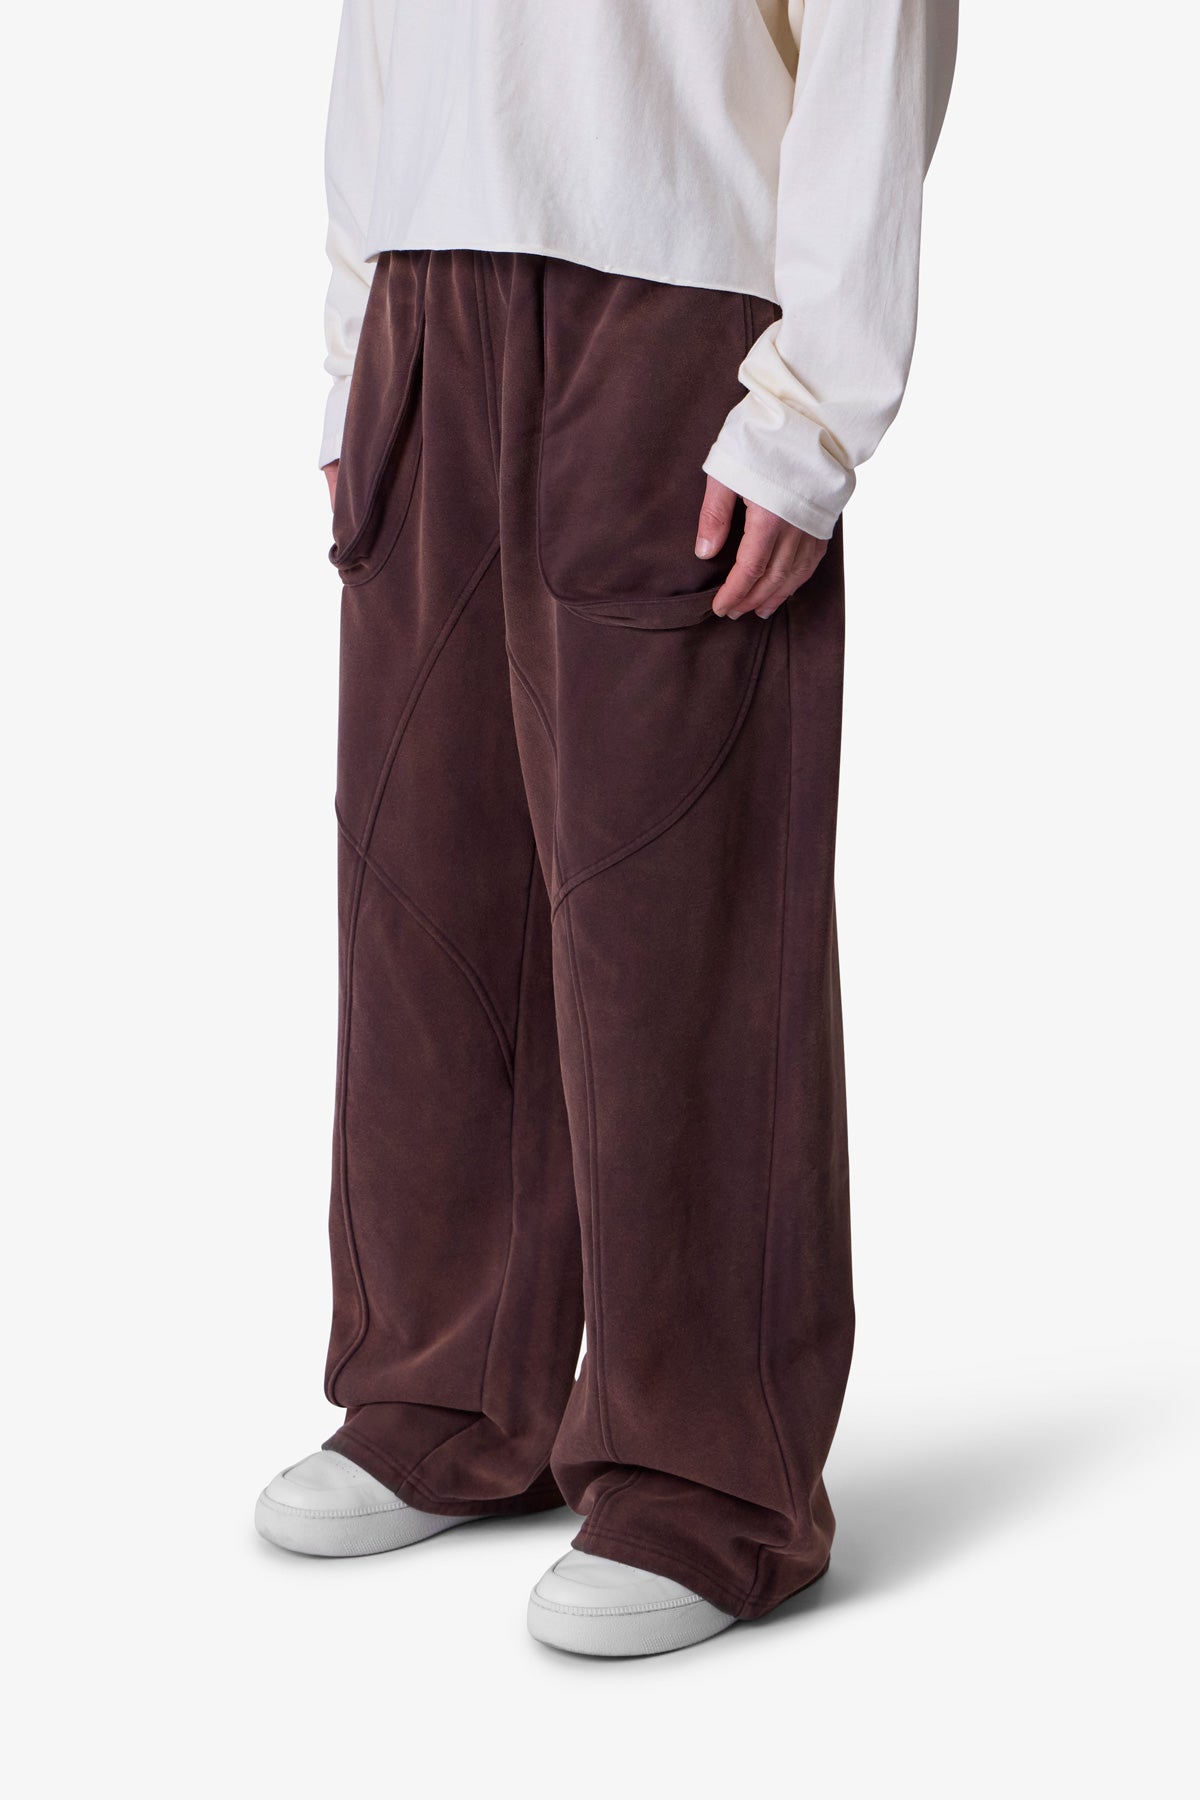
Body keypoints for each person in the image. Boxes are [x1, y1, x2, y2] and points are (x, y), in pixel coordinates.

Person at [256, 0, 957, 1658]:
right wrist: (358, 347)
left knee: (675, 913)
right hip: (430, 291)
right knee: (424, 884)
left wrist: (812, 409)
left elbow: (875, 34)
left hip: (675, 296)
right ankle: (448, 1392)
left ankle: (711, 1477)